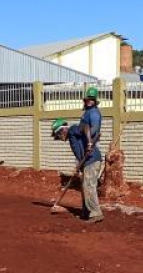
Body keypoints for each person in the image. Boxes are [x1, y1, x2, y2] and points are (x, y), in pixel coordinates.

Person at [51, 87, 103, 223]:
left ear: (62, 130)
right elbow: (80, 150)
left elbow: (86, 127)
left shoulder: (73, 129)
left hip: (92, 158)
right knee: (85, 185)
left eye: (58, 135)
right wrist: (79, 166)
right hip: (86, 161)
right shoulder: (73, 135)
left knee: (88, 185)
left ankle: (96, 213)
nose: (59, 138)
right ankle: (86, 212)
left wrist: (90, 143)